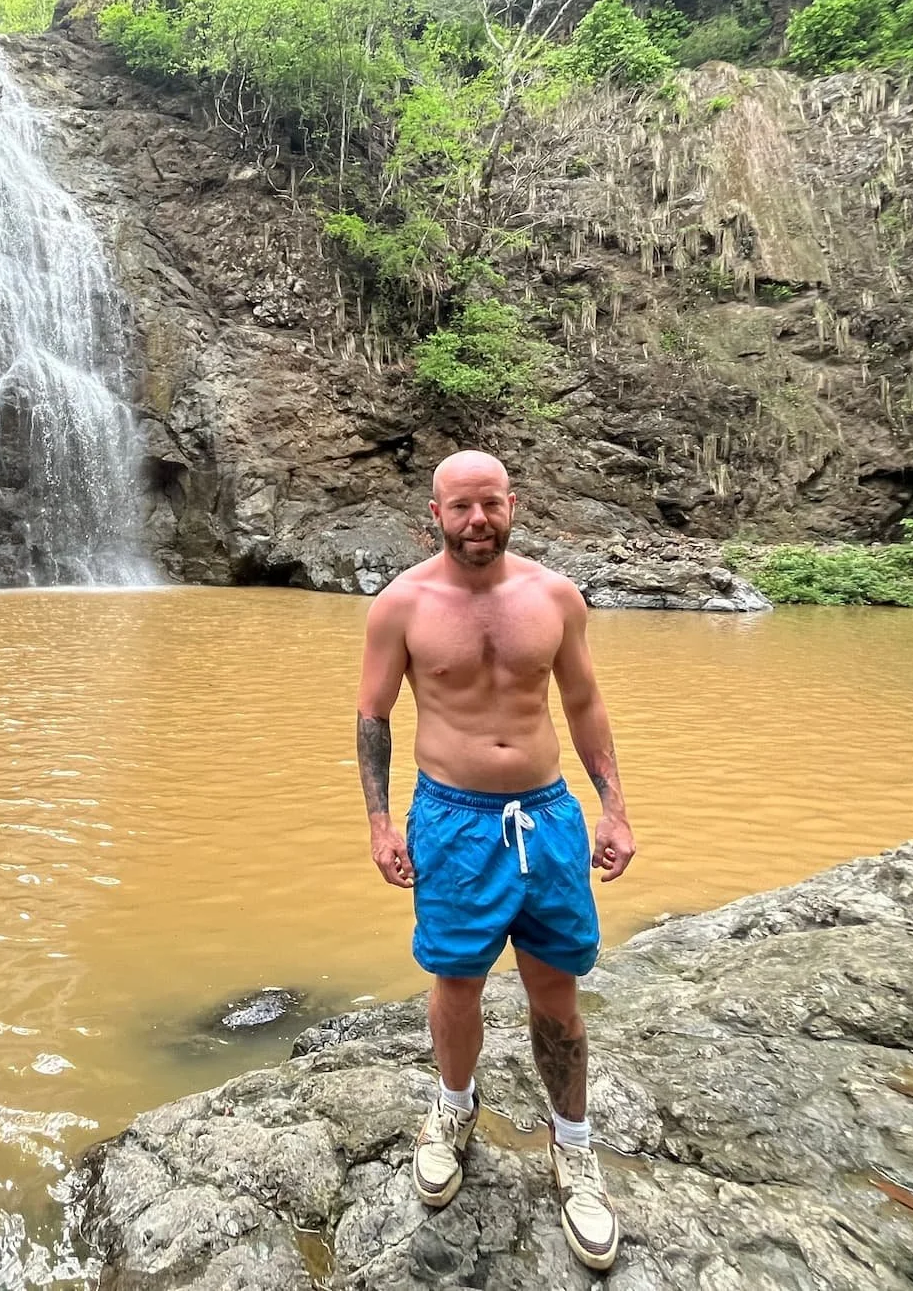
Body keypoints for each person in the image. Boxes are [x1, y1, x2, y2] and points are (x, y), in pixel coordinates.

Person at [355, 449, 636, 1271]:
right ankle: (453, 1107)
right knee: (458, 981)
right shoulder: (401, 605)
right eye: (460, 507)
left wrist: (614, 807)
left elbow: (583, 702)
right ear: (433, 514)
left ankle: (573, 1146)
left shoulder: (555, 597)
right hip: (450, 819)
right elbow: (372, 716)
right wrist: (380, 824)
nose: (477, 521)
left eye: (490, 504)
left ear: (512, 504)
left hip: (548, 817)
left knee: (557, 987)